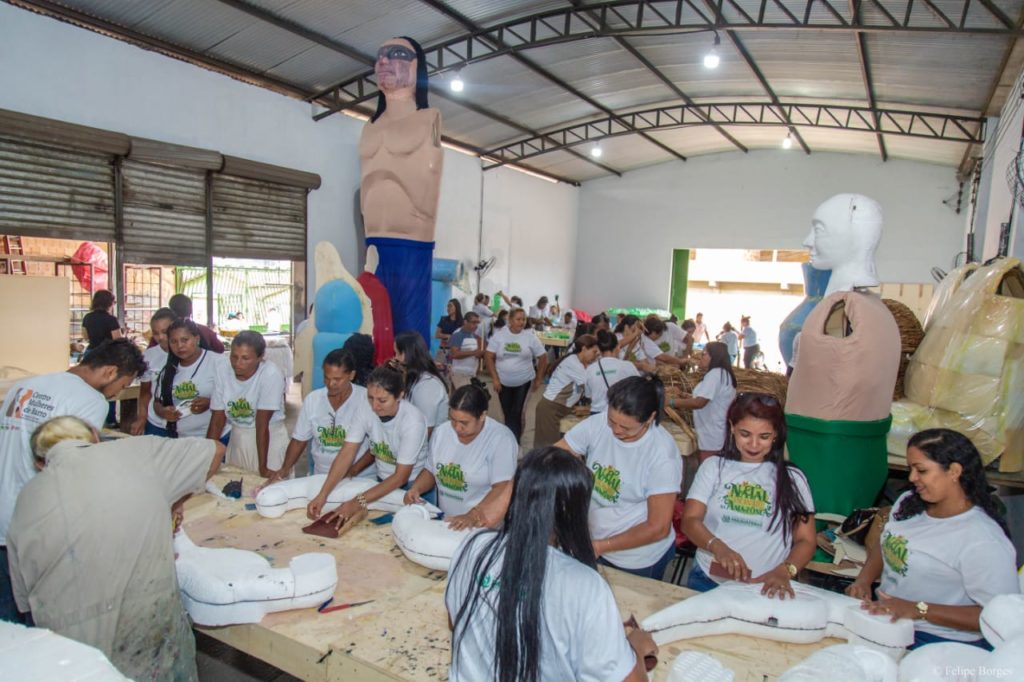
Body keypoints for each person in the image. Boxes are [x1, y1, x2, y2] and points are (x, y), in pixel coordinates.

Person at [6, 416, 224, 680]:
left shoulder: (26, 499)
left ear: (40, 463)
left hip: (71, 656)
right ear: (96, 439)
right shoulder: (141, 453)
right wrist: (174, 496)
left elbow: (25, 602)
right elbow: (216, 450)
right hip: (149, 639)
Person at [445, 446, 658, 682]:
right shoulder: (585, 585)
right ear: (572, 511)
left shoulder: (472, 547)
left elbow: (457, 621)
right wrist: (635, 648)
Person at [0, 339, 146, 622]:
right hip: (36, 525)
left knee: (7, 625)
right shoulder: (89, 401)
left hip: (3, 514)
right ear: (110, 372)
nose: (119, 392)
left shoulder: (28, 386)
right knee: (41, 620)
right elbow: (74, 469)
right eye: (123, 384)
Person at [846, 429, 1019, 649]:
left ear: (954, 471)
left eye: (922, 470)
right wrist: (864, 580)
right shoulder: (909, 502)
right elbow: (890, 544)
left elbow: (1001, 619)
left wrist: (919, 609)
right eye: (910, 469)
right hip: (890, 623)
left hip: (942, 641)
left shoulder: (982, 540)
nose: (911, 478)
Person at [681, 393, 816, 596]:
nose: (753, 445)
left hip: (766, 587)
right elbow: (690, 520)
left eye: (764, 437)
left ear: (776, 435)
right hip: (709, 581)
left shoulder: (792, 478)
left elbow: (806, 540)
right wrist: (717, 547)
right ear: (732, 427)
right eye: (745, 434)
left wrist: (785, 570)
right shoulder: (714, 468)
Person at [555, 376, 682, 579]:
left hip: (636, 556)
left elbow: (658, 527)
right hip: (593, 538)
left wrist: (601, 546)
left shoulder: (662, 455)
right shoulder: (598, 424)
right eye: (612, 421)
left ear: (649, 418)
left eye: (626, 428)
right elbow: (558, 453)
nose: (616, 430)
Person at [360, 36, 443, 343]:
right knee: (373, 332)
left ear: (416, 66)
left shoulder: (428, 118)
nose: (383, 61)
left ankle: (413, 389)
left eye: (396, 54)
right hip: (373, 246)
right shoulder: (369, 126)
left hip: (412, 245)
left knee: (408, 339)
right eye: (380, 55)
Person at [307, 366, 430, 524]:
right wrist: (322, 495)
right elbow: (347, 452)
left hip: (412, 487)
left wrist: (355, 503)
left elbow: (401, 476)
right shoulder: (365, 408)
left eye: (382, 400)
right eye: (370, 398)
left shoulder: (413, 421)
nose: (375, 406)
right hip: (381, 482)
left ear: (400, 395)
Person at [405, 384, 517, 529]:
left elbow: (502, 488)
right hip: (449, 522)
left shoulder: (501, 439)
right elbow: (430, 471)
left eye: (464, 423)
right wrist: (416, 489)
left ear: (482, 416)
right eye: (453, 420)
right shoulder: (441, 432)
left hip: (484, 525)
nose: (457, 427)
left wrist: (473, 515)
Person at [268, 349, 370, 482]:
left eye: (337, 379)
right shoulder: (313, 399)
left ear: (351, 375)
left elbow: (376, 446)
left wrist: (352, 471)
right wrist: (284, 470)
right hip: (321, 475)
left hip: (358, 477)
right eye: (326, 378)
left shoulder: (367, 400)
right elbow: (299, 441)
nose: (330, 384)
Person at [207, 331, 287, 477]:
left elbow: (262, 424)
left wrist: (263, 466)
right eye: (234, 356)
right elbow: (217, 418)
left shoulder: (271, 374)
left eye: (245, 358)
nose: (238, 363)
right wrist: (206, 458)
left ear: (261, 356)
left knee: (268, 491)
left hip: (268, 441)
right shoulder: (222, 369)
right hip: (238, 438)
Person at [486, 308, 548, 444]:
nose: (522, 322)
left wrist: (538, 379)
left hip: (524, 382)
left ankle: (514, 443)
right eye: (518, 319)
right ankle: (509, 439)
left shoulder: (529, 337)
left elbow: (543, 357)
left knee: (517, 412)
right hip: (502, 382)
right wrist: (495, 379)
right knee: (507, 412)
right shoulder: (499, 336)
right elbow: (489, 356)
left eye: (524, 319)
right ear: (510, 320)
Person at [150, 319, 220, 440]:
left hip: (218, 437)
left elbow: (235, 395)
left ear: (197, 338)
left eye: (184, 340)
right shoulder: (168, 370)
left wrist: (211, 402)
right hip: (183, 439)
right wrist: (164, 412)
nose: (179, 346)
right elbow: (157, 402)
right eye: (173, 341)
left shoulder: (217, 363)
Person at [671, 342, 737, 461]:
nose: (700, 357)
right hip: (714, 432)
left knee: (709, 469)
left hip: (712, 435)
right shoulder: (721, 373)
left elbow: (699, 403)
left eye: (704, 354)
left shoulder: (715, 374)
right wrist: (683, 395)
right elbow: (707, 398)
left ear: (714, 357)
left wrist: (671, 402)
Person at [533, 334, 599, 448]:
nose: (596, 355)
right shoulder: (573, 364)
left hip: (559, 408)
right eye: (594, 352)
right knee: (547, 449)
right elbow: (589, 389)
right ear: (584, 349)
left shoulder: (579, 362)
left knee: (553, 447)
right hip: (550, 409)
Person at [131, 307, 177, 435]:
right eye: (156, 333)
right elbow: (145, 391)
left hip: (184, 423)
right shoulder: (149, 356)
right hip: (156, 423)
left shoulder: (187, 355)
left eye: (165, 331)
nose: (161, 337)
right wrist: (141, 417)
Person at [81, 289, 123, 427]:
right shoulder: (111, 320)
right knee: (109, 387)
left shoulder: (87, 317)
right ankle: (110, 420)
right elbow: (118, 340)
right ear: (109, 303)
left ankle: (89, 417)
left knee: (89, 387)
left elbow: (86, 336)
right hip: (107, 355)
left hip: (91, 354)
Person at [394, 331, 449, 435]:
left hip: (430, 444)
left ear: (407, 353)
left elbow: (427, 428)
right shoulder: (415, 378)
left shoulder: (427, 385)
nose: (396, 358)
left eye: (397, 353)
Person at [585, 330, 641, 414]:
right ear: (618, 347)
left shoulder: (590, 369)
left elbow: (588, 395)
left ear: (599, 350)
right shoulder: (628, 366)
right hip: (620, 414)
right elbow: (640, 389)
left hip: (596, 414)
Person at [448, 312, 483, 390]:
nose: (476, 325)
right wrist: (474, 353)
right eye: (473, 322)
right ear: (465, 322)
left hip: (471, 374)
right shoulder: (457, 335)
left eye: (477, 323)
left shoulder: (475, 336)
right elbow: (454, 354)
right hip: (460, 374)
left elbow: (477, 354)